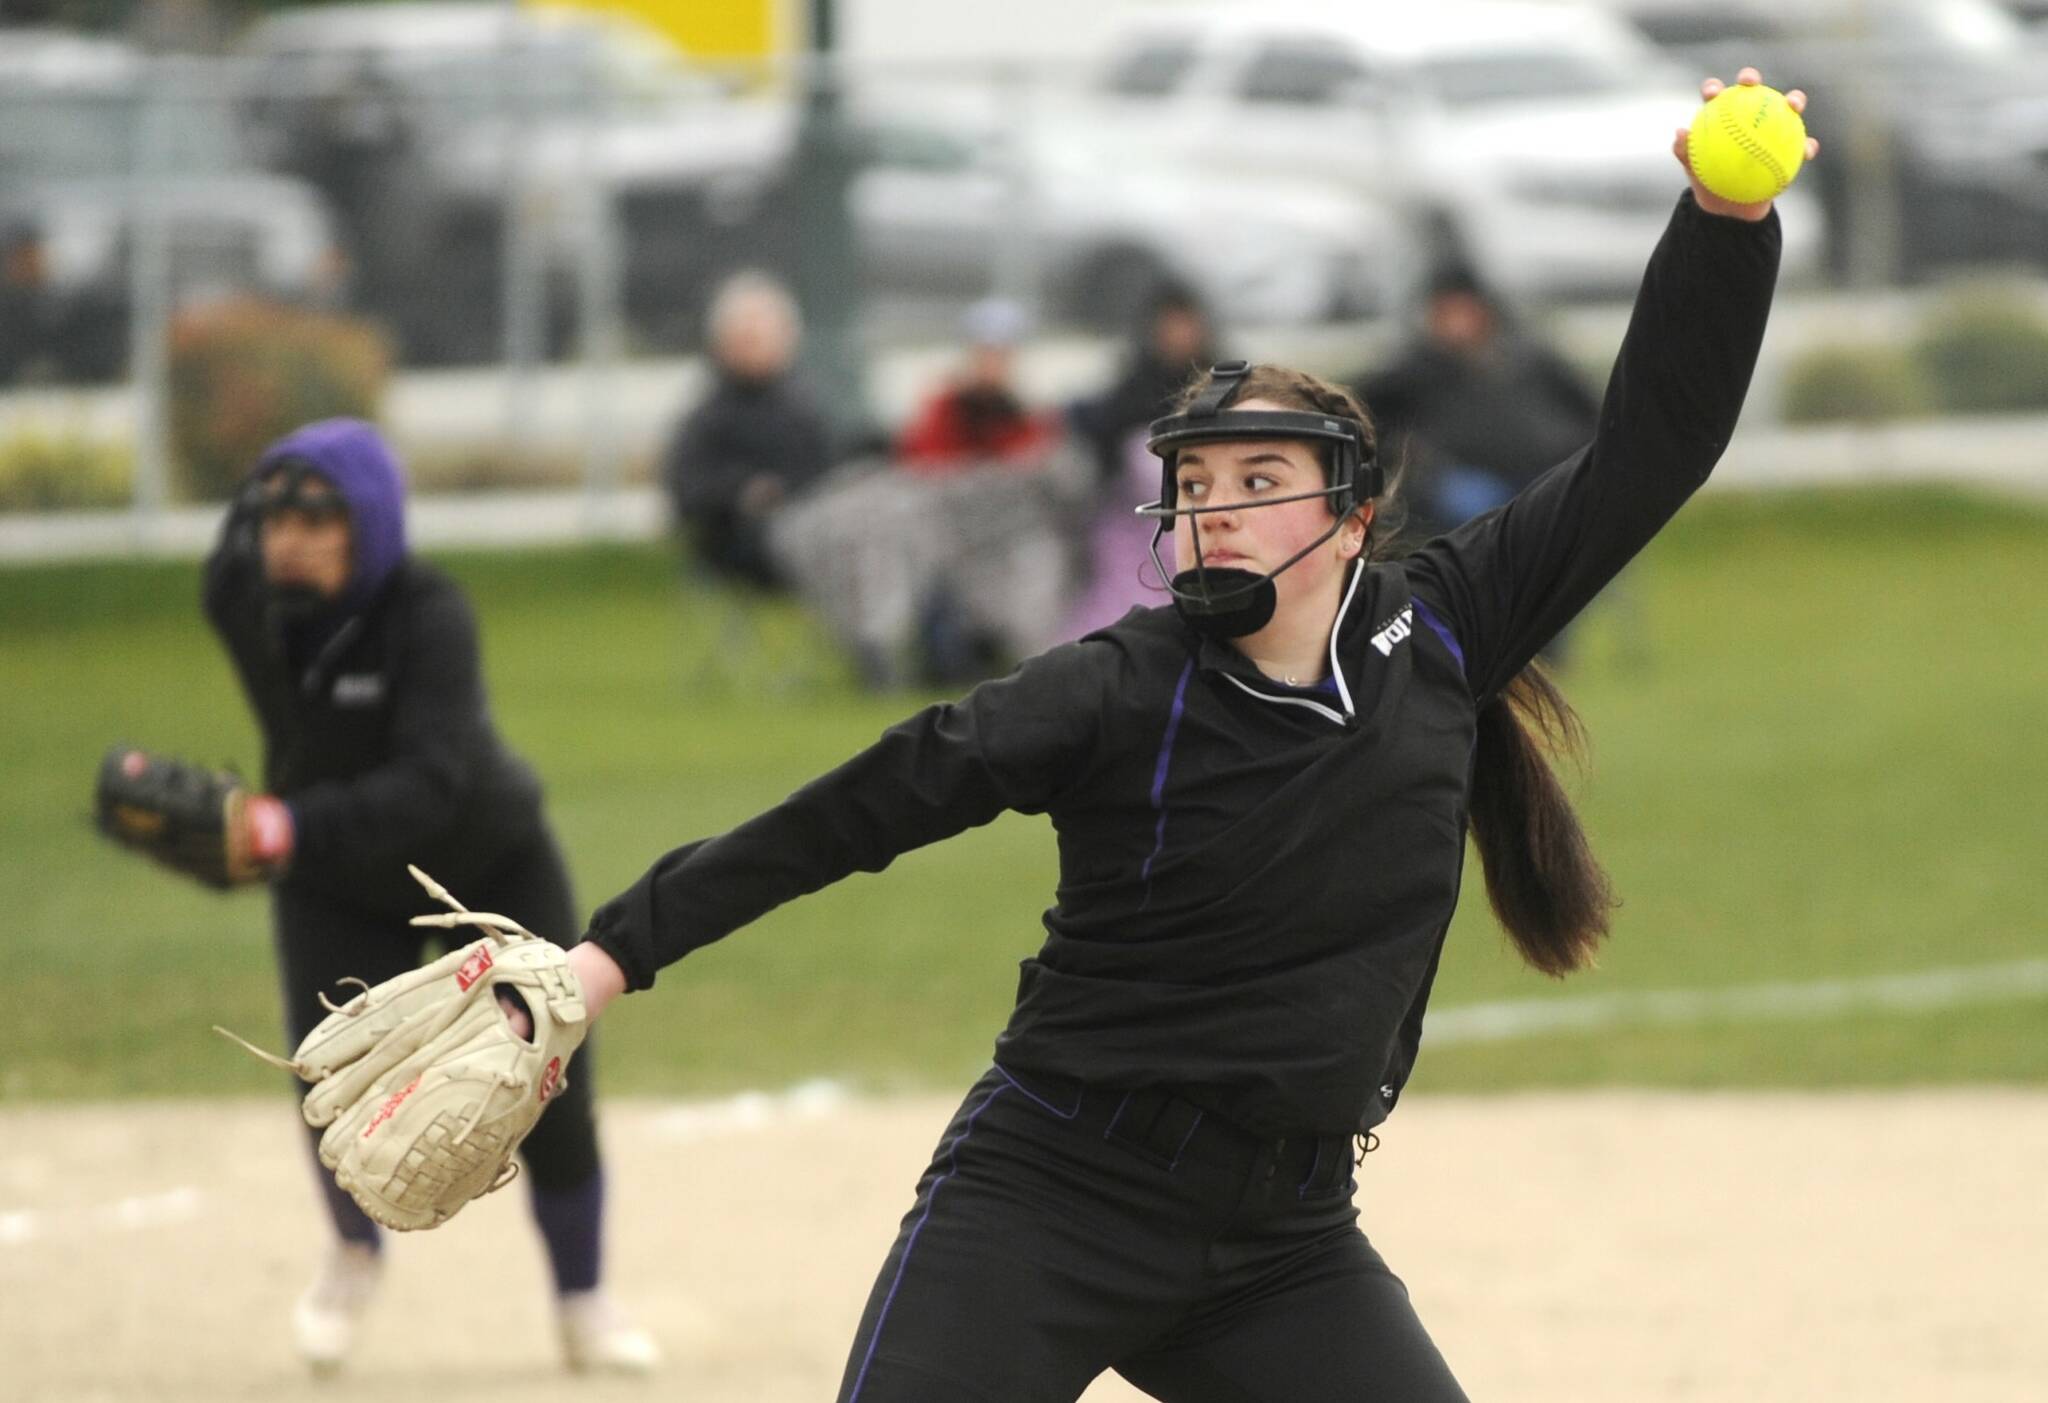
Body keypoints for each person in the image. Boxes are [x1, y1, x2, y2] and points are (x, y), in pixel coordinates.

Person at [549, 71, 1815, 1400]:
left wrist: (1724, 222)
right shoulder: (1120, 688)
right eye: (1195, 485)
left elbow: (1652, 446)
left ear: (1355, 513)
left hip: (1283, 1242)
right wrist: (609, 952)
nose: (1216, 511)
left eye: (1259, 482)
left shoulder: (1437, 634)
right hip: (1051, 1197)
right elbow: (870, 803)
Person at [201, 418, 659, 1377]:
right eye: (274, 511)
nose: (288, 532)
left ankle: (584, 1300)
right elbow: (222, 570)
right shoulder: (259, 607)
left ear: (369, 520)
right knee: (328, 1081)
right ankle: (352, 1257)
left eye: (318, 510)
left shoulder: (429, 611)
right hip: (336, 879)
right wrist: (271, 473)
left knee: (549, 1082)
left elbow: (429, 783)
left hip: (484, 869)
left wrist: (282, 827)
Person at [1353, 258, 1600, 540]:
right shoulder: (1410, 373)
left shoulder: (1530, 359)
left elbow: (1590, 411)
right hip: (1460, 485)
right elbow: (1367, 422)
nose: (1457, 323)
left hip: (1545, 475)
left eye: (1464, 311)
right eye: (1447, 312)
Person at [661, 270, 834, 590]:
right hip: (741, 545)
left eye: (766, 334)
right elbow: (686, 493)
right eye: (747, 336)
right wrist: (744, 492)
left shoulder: (804, 411)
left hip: (816, 527)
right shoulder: (707, 418)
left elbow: (826, 474)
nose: (758, 344)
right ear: (722, 343)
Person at [895, 296, 1063, 473]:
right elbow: (923, 466)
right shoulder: (943, 413)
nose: (992, 364)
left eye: (1002, 355)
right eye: (985, 353)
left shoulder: (1029, 418)